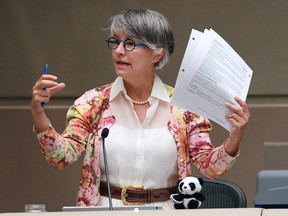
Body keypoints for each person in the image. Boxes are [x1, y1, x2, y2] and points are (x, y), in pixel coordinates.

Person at [31, 8, 250, 209]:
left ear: (157, 54)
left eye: (130, 43)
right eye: (115, 42)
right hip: (105, 210)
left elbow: (212, 168)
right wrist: (38, 112)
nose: (118, 51)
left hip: (167, 210)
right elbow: (60, 157)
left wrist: (235, 136)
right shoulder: (93, 103)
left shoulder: (184, 107)